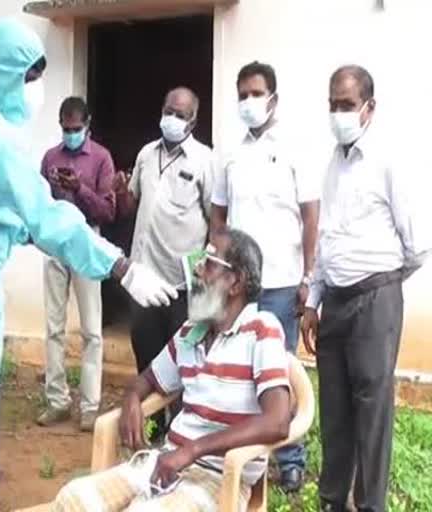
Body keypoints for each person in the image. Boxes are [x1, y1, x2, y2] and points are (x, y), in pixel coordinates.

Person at [0, 19, 177, 512]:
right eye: (31, 76)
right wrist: (121, 266)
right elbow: (44, 215)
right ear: (8, 74)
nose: (37, 89)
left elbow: (0, 215)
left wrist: (37, 232)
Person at [48, 228, 292, 511]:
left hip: (219, 477)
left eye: (209, 263)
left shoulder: (262, 329)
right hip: (165, 463)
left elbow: (278, 421)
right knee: (71, 499)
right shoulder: (192, 331)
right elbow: (147, 380)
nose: (197, 270)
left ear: (235, 281)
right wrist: (131, 400)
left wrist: (193, 450)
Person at [301, 66, 430, 512]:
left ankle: (371, 505)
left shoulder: (388, 160)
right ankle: (333, 502)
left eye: (347, 105)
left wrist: (381, 281)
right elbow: (328, 240)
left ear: (369, 108)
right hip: (334, 303)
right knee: (334, 410)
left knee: (372, 413)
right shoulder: (333, 162)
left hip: (375, 300)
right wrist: (314, 301)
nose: (339, 113)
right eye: (333, 104)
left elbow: (417, 244)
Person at [210, 61, 318, 491]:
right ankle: (240, 448)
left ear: (273, 98)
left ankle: (289, 457)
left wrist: (308, 277)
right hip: (238, 286)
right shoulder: (230, 152)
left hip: (280, 281)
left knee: (281, 368)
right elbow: (218, 212)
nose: (248, 102)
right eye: (242, 95)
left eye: (255, 93)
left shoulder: (294, 147)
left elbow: (311, 216)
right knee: (237, 367)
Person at [127, 87, 215, 436]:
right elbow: (133, 199)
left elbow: (216, 220)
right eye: (169, 111)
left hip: (183, 285)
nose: (173, 119)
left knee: (184, 361)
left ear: (193, 120)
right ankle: (151, 426)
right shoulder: (146, 155)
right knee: (146, 356)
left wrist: (207, 269)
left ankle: (181, 430)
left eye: (181, 115)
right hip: (144, 279)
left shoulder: (205, 161)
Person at [37, 96, 116, 432]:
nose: (71, 134)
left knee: (92, 331)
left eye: (76, 129)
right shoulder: (50, 158)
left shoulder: (100, 158)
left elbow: (107, 211)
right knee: (53, 328)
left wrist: (79, 188)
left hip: (86, 243)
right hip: (55, 245)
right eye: (66, 129)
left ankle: (89, 405)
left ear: (88, 125)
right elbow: (38, 203)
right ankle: (57, 400)